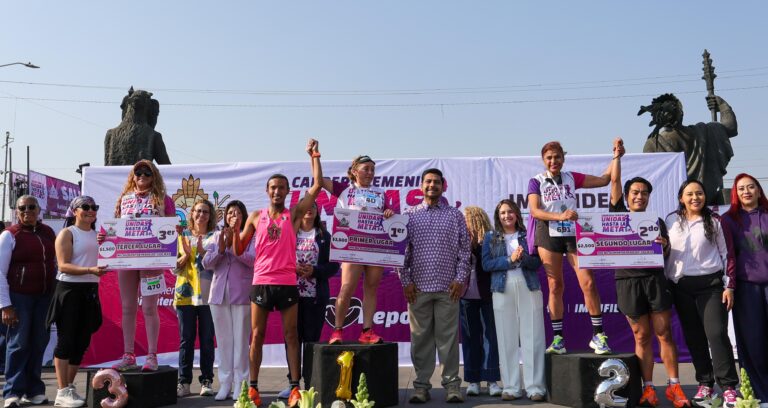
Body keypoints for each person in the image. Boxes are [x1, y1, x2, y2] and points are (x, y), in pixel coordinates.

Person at [233, 139, 323, 407]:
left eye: (281, 188)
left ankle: (295, 388)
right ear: (267, 190)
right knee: (257, 336)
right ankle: (253, 388)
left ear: (287, 191)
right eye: (273, 187)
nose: (277, 191)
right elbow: (239, 250)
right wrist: (233, 231)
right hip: (261, 282)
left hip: (286, 282)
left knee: (291, 335)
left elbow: (317, 185)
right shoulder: (255, 216)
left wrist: (314, 155)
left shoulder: (294, 214)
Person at [608, 140, 690, 408]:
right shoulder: (618, 215)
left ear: (648, 197)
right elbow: (615, 184)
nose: (639, 196)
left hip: (655, 280)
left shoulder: (656, 222)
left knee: (664, 332)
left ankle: (674, 387)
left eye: (644, 193)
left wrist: (665, 246)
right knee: (641, 337)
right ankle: (648, 389)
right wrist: (617, 157)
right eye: (635, 192)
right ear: (628, 196)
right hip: (628, 282)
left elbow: (665, 255)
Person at [527, 140, 617, 355]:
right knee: (555, 284)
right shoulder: (536, 181)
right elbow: (534, 211)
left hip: (573, 233)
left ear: (563, 158)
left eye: (557, 156)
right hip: (548, 232)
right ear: (543, 160)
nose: (553, 161)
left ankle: (598, 336)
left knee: (588, 281)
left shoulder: (571, 177)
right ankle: (558, 339)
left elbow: (605, 180)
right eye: (549, 157)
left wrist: (616, 157)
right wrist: (560, 215)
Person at [399, 168, 470, 404]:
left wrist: (460, 279)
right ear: (421, 186)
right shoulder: (408, 215)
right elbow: (400, 254)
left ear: (443, 186)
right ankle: (421, 387)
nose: (432, 185)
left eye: (436, 182)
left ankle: (452, 386)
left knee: (448, 341)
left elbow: (465, 250)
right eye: (428, 182)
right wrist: (406, 282)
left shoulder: (455, 215)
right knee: (420, 340)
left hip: (447, 288)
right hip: (417, 289)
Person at [666, 179, 739, 407]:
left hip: (711, 286)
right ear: (681, 198)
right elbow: (664, 251)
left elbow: (728, 255)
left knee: (716, 334)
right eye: (690, 194)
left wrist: (729, 286)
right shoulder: (670, 220)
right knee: (694, 338)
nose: (695, 198)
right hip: (681, 287)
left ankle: (728, 387)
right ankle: (705, 384)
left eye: (699, 193)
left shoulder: (715, 221)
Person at [319, 154, 394, 345]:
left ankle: (367, 331)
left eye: (372, 169)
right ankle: (337, 331)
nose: (370, 172)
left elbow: (390, 216)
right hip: (353, 245)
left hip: (375, 247)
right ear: (354, 171)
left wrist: (389, 213)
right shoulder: (344, 190)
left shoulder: (380, 193)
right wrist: (315, 156)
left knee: (371, 288)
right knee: (347, 288)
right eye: (365, 168)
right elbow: (318, 180)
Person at [110, 159, 176, 372]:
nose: (142, 176)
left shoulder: (163, 199)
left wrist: (176, 231)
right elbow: (115, 227)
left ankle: (152, 355)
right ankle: (129, 354)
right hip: (127, 258)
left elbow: (172, 228)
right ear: (132, 175)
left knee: (149, 307)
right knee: (128, 307)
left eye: (147, 173)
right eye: (138, 172)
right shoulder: (124, 199)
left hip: (152, 259)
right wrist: (106, 237)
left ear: (154, 175)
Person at [481, 199, 546, 402]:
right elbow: (486, 264)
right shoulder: (490, 237)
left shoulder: (528, 235)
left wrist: (522, 257)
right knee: (505, 336)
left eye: (510, 212)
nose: (506, 216)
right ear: (497, 216)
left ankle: (535, 387)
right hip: (501, 287)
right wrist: (509, 260)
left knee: (533, 335)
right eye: (502, 213)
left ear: (517, 214)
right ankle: (511, 386)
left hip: (529, 286)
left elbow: (537, 262)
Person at [46, 196, 107, 408]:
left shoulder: (98, 235)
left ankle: (69, 387)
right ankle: (61, 391)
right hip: (69, 290)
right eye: (86, 207)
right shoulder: (67, 233)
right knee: (66, 341)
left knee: (81, 342)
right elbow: (63, 266)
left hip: (90, 290)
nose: (91, 210)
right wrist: (90, 270)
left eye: (94, 207)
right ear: (75, 211)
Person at [278, 201, 340, 399]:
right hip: (291, 296)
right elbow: (277, 259)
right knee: (292, 339)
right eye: (306, 207)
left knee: (311, 341)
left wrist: (315, 271)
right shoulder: (289, 234)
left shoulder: (324, 236)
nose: (310, 209)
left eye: (314, 207)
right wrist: (292, 268)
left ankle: (310, 383)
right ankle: (293, 383)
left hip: (315, 298)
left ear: (317, 212)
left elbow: (334, 266)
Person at [0, 195, 56, 408]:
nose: (27, 211)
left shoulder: (48, 233)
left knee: (39, 342)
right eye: (22, 208)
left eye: (32, 207)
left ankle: (33, 390)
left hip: (44, 298)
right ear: (16, 211)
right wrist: (5, 305)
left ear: (39, 209)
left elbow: (54, 262)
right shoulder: (9, 235)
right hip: (19, 298)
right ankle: (13, 392)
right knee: (18, 344)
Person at [640, 93, 737, 205]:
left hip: (672, 204)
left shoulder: (652, 143)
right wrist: (722, 105)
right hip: (705, 198)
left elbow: (649, 179)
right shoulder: (705, 131)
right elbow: (730, 127)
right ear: (681, 113)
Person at [721, 173, 768, 404]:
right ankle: (761, 394)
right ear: (736, 194)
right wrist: (730, 286)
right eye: (741, 189)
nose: (747, 191)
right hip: (747, 289)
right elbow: (729, 256)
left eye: (751, 187)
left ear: (759, 190)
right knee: (753, 343)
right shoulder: (728, 220)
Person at [202, 200, 254, 401]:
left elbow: (252, 260)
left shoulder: (250, 236)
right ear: (225, 217)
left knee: (241, 340)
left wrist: (233, 245)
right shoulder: (216, 235)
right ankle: (225, 382)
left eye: (238, 213)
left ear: (244, 216)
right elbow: (206, 263)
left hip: (241, 293)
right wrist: (221, 249)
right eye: (230, 213)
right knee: (223, 341)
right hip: (218, 294)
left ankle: (241, 384)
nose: (234, 216)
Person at [174, 199, 216, 398]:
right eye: (198, 211)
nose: (201, 215)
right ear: (192, 214)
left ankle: (207, 380)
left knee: (207, 340)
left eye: (205, 212)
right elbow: (173, 268)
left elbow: (219, 264)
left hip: (209, 296)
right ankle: (184, 382)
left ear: (210, 215)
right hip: (185, 296)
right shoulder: (181, 236)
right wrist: (186, 256)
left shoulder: (215, 237)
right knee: (186, 340)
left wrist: (201, 253)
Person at [460, 206, 502, 397]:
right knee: (470, 339)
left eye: (469, 220)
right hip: (466, 296)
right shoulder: (461, 241)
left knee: (490, 338)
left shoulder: (492, 239)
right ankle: (473, 380)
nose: (466, 223)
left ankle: (492, 379)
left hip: (488, 295)